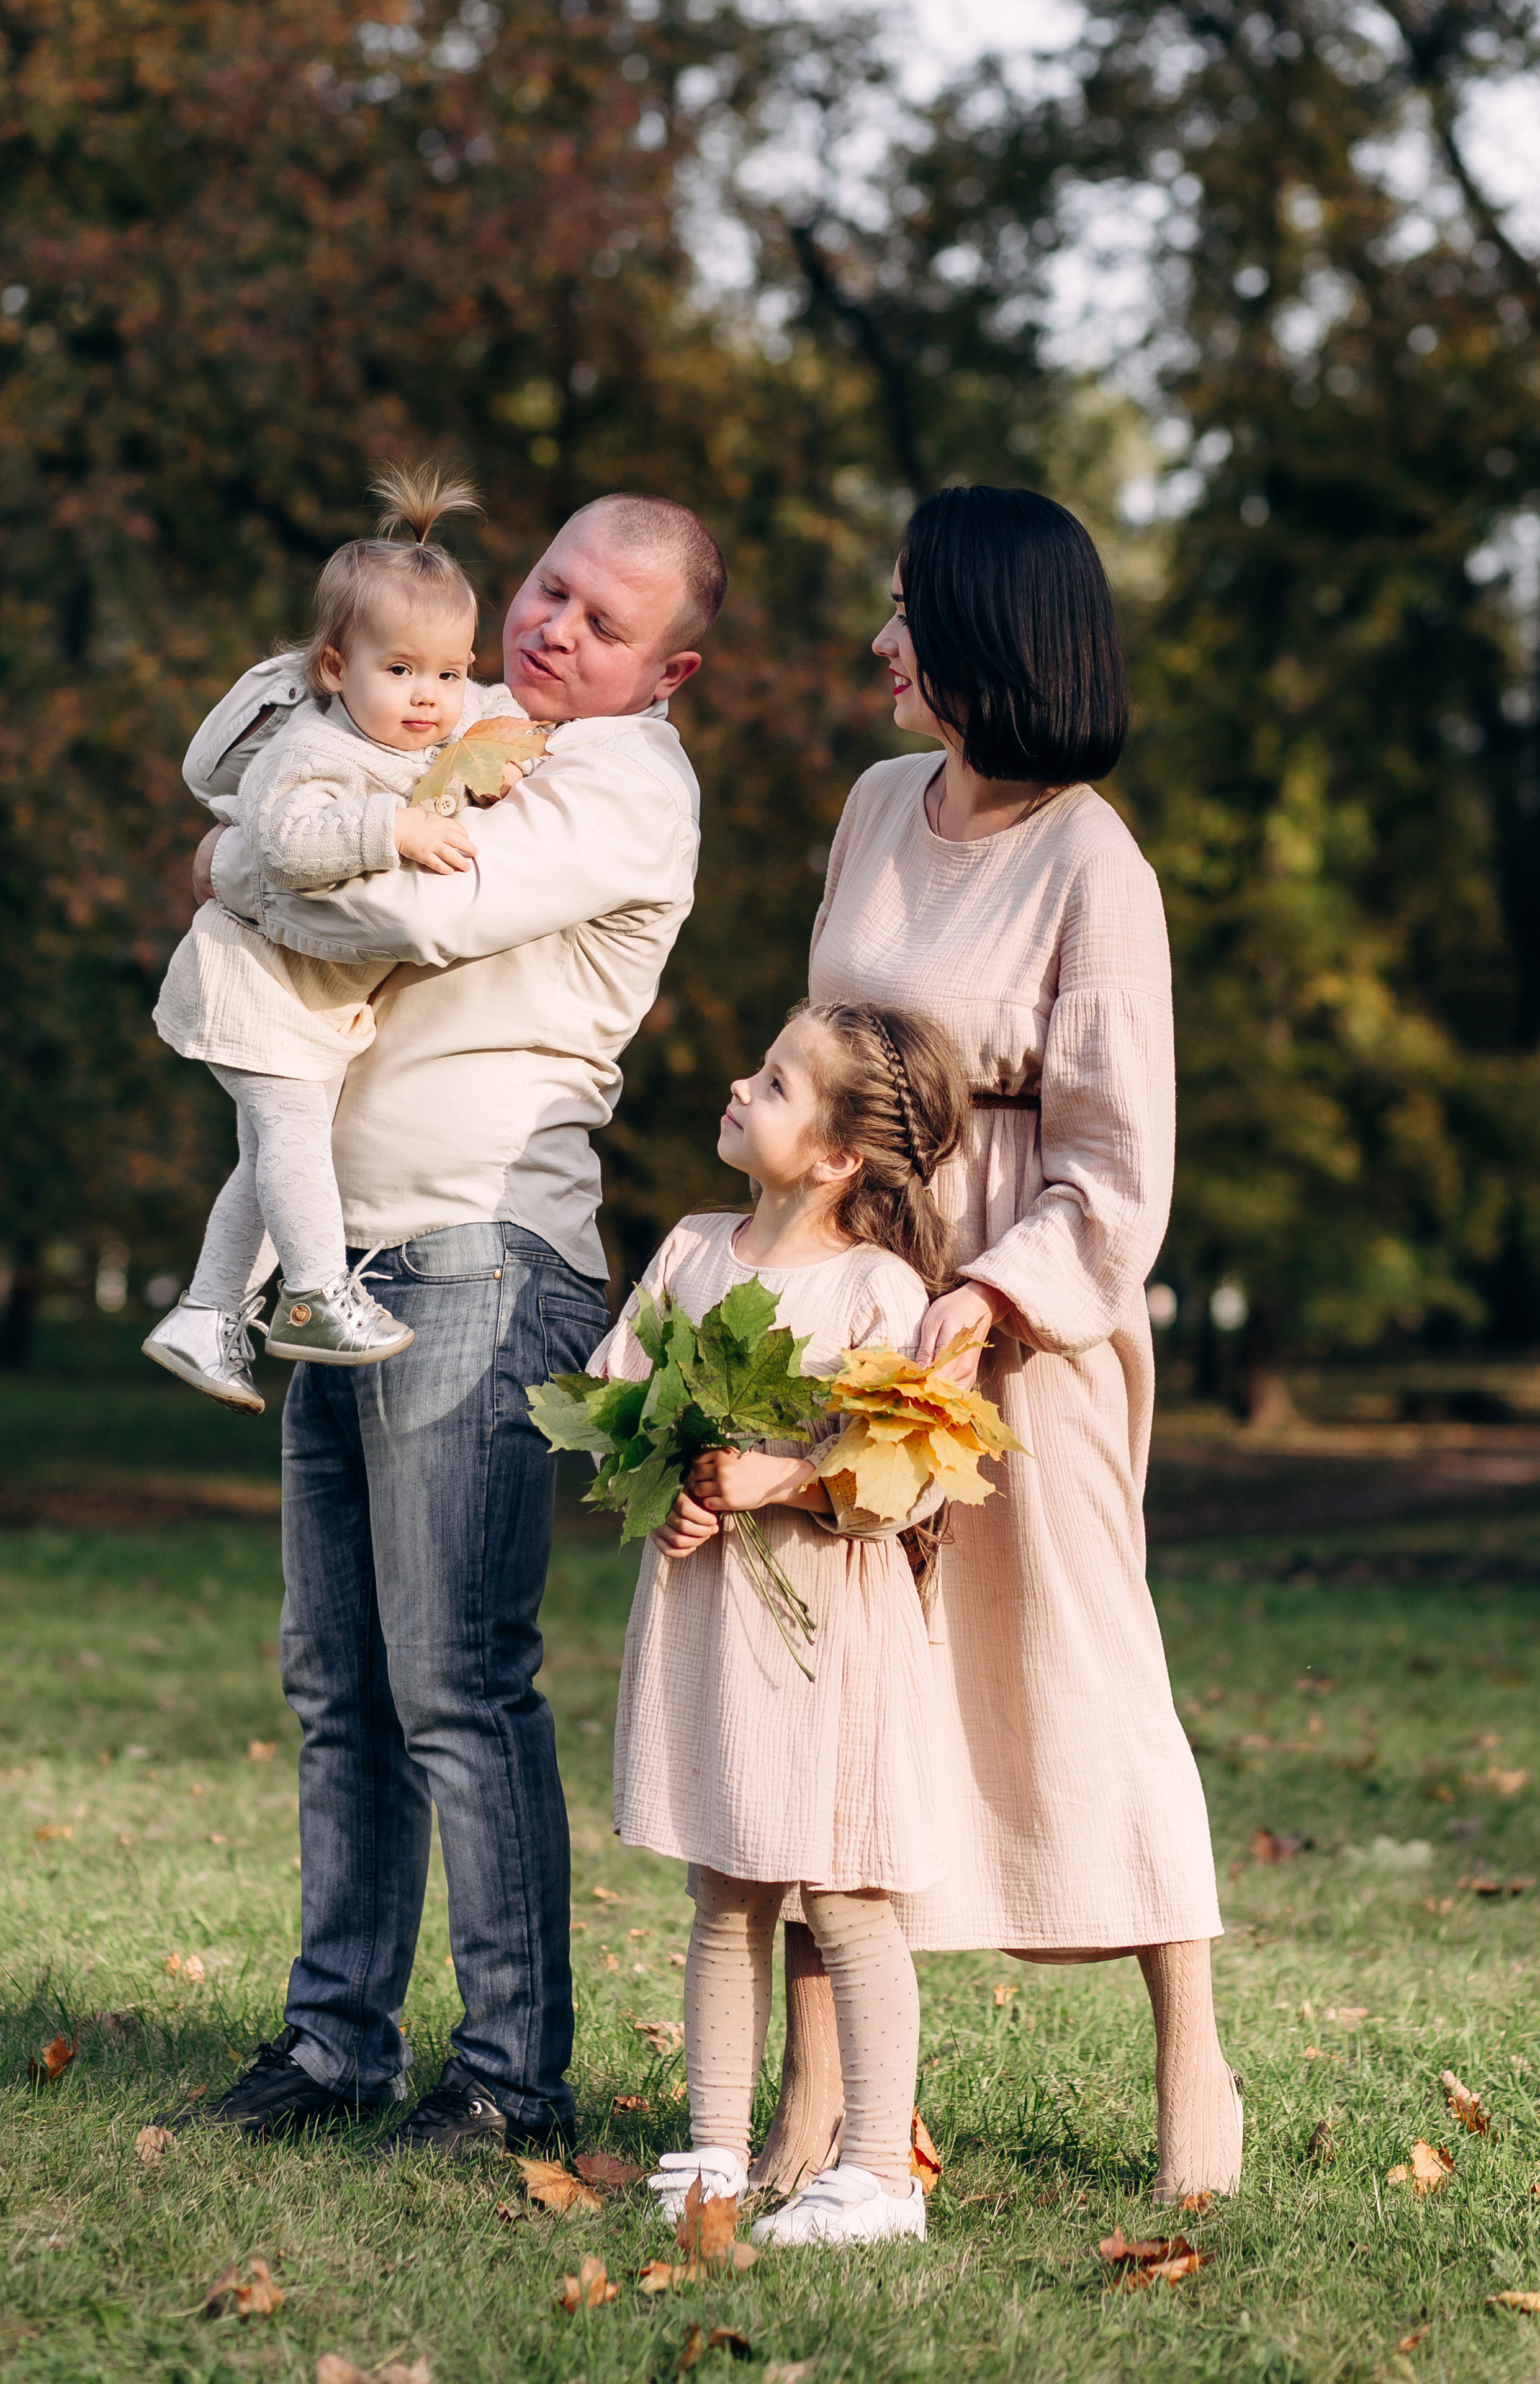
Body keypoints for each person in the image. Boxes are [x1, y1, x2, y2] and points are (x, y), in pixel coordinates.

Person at [159, 494, 725, 2158]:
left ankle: (506, 2079)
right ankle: (333, 2048)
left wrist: (237, 863)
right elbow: (267, 786)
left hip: (481, 1251)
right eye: (550, 587)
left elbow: (410, 910)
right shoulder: (463, 728)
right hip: (345, 1256)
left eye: (605, 623)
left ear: (667, 666)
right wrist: (258, 841)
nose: (557, 629)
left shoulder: (624, 785)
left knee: (456, 1688)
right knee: (341, 1683)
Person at [755, 484, 1242, 2208]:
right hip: (858, 1308)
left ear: (986, 636)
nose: (882, 639)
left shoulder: (1095, 860)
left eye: (906, 611)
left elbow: (1121, 1166)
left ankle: (1190, 2043)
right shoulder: (877, 806)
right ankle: (822, 2085)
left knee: (1081, 1672)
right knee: (839, 1685)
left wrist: (988, 1302)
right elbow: (830, 1059)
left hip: (1021, 1338)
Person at [590, 1001, 968, 2247]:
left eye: (774, 1082)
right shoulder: (691, 1251)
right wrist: (667, 1496)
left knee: (845, 1895)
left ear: (836, 1158)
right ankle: (706, 2155)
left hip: (826, 1637)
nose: (740, 1086)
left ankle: (876, 2176)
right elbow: (623, 1399)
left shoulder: (876, 1288)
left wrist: (776, 1477)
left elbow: (903, 1466)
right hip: (711, 1625)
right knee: (724, 1890)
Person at [146, 465, 538, 1405]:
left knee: (273, 1154)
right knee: (289, 1138)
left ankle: (206, 1314)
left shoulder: (426, 729)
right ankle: (316, 1295)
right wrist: (390, 831)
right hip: (251, 976)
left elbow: (490, 718)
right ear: (335, 669)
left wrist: (509, 744)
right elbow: (281, 844)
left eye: (448, 673)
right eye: (399, 670)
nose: (427, 697)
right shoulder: (314, 747)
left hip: (306, 999)